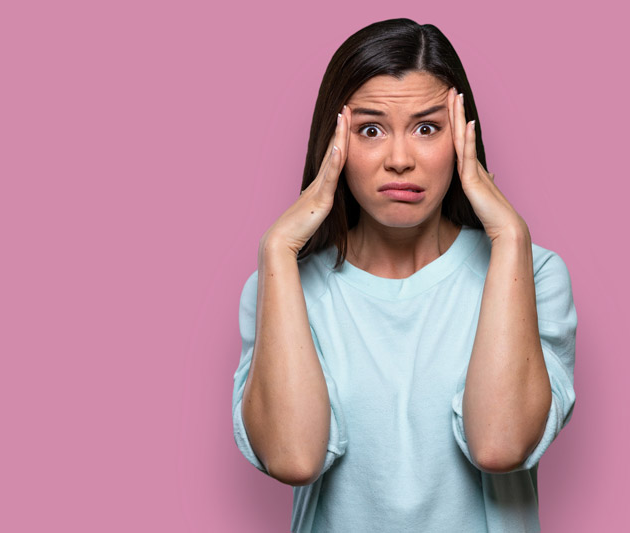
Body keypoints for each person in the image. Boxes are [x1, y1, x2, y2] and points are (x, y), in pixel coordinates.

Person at [232, 18, 578, 533]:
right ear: (335, 142)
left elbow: (500, 445)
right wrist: (278, 250)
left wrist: (509, 235)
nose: (400, 160)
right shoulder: (281, 284)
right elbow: (293, 458)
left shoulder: (535, 273)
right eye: (370, 130)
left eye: (427, 128)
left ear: (463, 137)